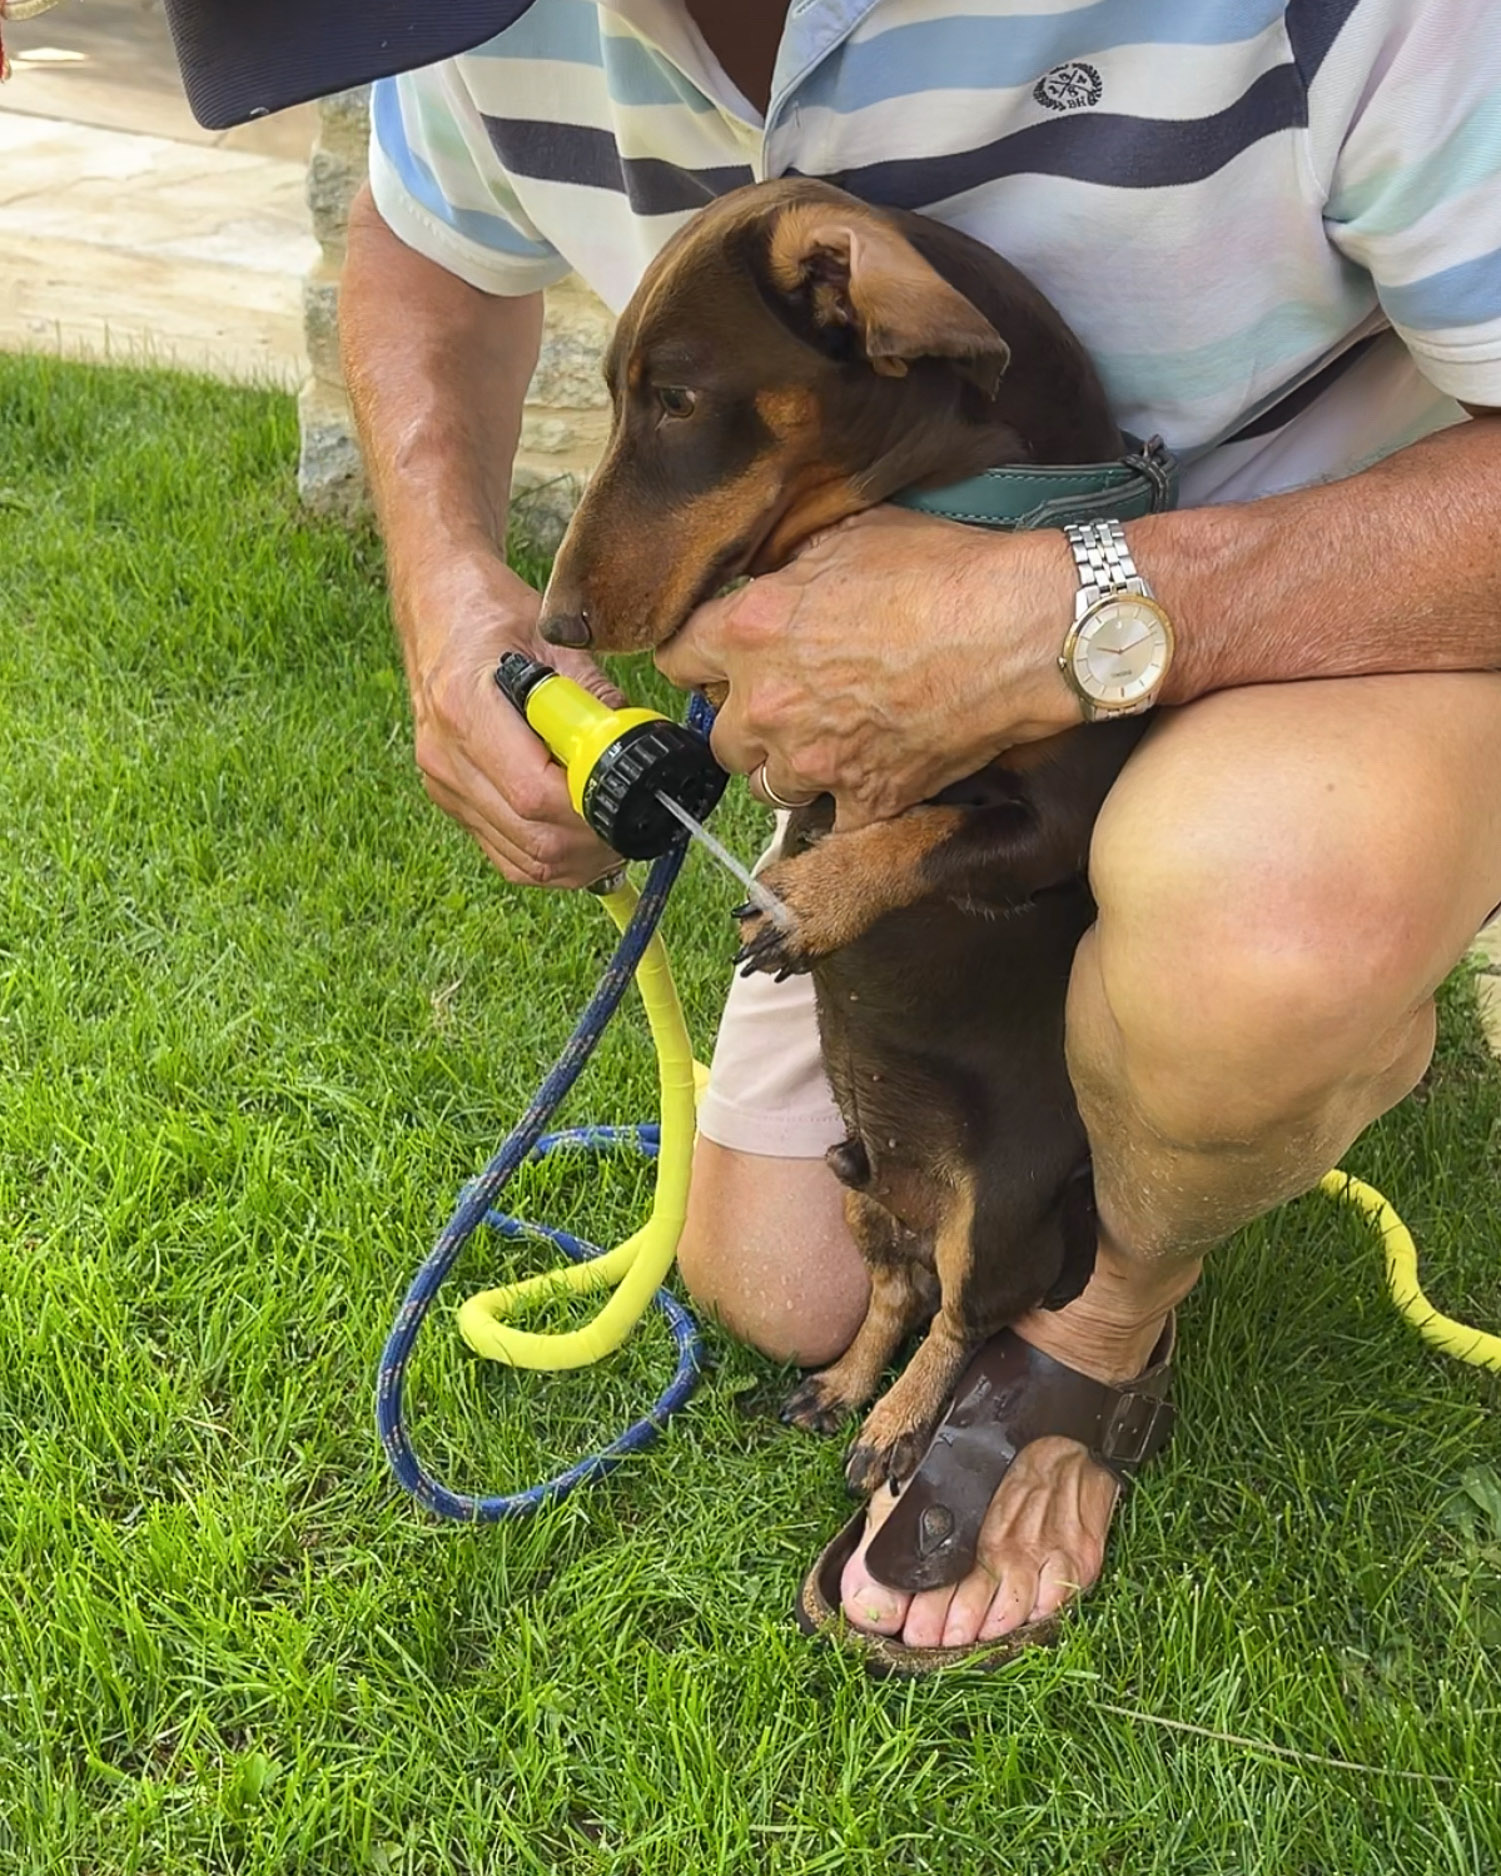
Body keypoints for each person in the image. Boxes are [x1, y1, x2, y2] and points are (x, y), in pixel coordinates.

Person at [167, 0, 1501, 1660]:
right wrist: (450, 604)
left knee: (1270, 937)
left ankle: (1097, 1319)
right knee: (786, 1286)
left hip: (1322, 620)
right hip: (929, 717)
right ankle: (1161, 1054)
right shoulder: (473, 23)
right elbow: (423, 249)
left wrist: (1068, 609)